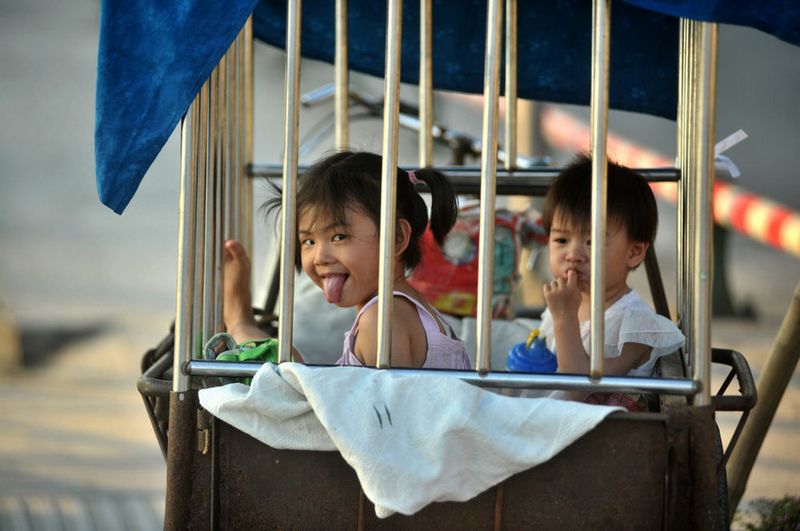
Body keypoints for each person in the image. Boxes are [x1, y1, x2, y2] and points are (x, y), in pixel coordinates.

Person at [223, 151, 471, 370]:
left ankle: (239, 323)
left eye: (339, 237)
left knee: (285, 376)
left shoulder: (382, 320)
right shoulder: (405, 310)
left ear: (396, 238)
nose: (320, 257)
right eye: (308, 241)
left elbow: (379, 418)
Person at [539, 154, 685, 407]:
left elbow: (579, 388)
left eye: (592, 242)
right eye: (561, 240)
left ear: (634, 252)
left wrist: (565, 318)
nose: (573, 255)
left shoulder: (634, 326)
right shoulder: (566, 305)